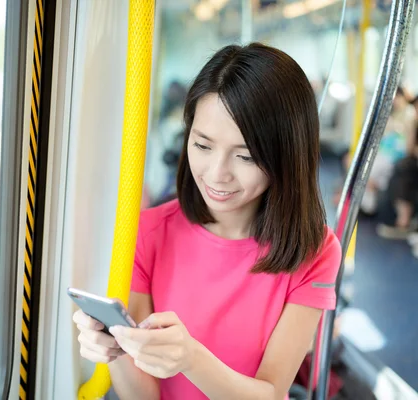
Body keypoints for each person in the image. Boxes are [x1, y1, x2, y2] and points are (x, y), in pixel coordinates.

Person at [73, 43, 342, 400]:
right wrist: (116, 350)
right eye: (202, 146)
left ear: (287, 157)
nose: (217, 174)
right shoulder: (148, 232)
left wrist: (191, 358)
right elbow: (145, 397)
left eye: (245, 156)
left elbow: (271, 394)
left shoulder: (315, 251)